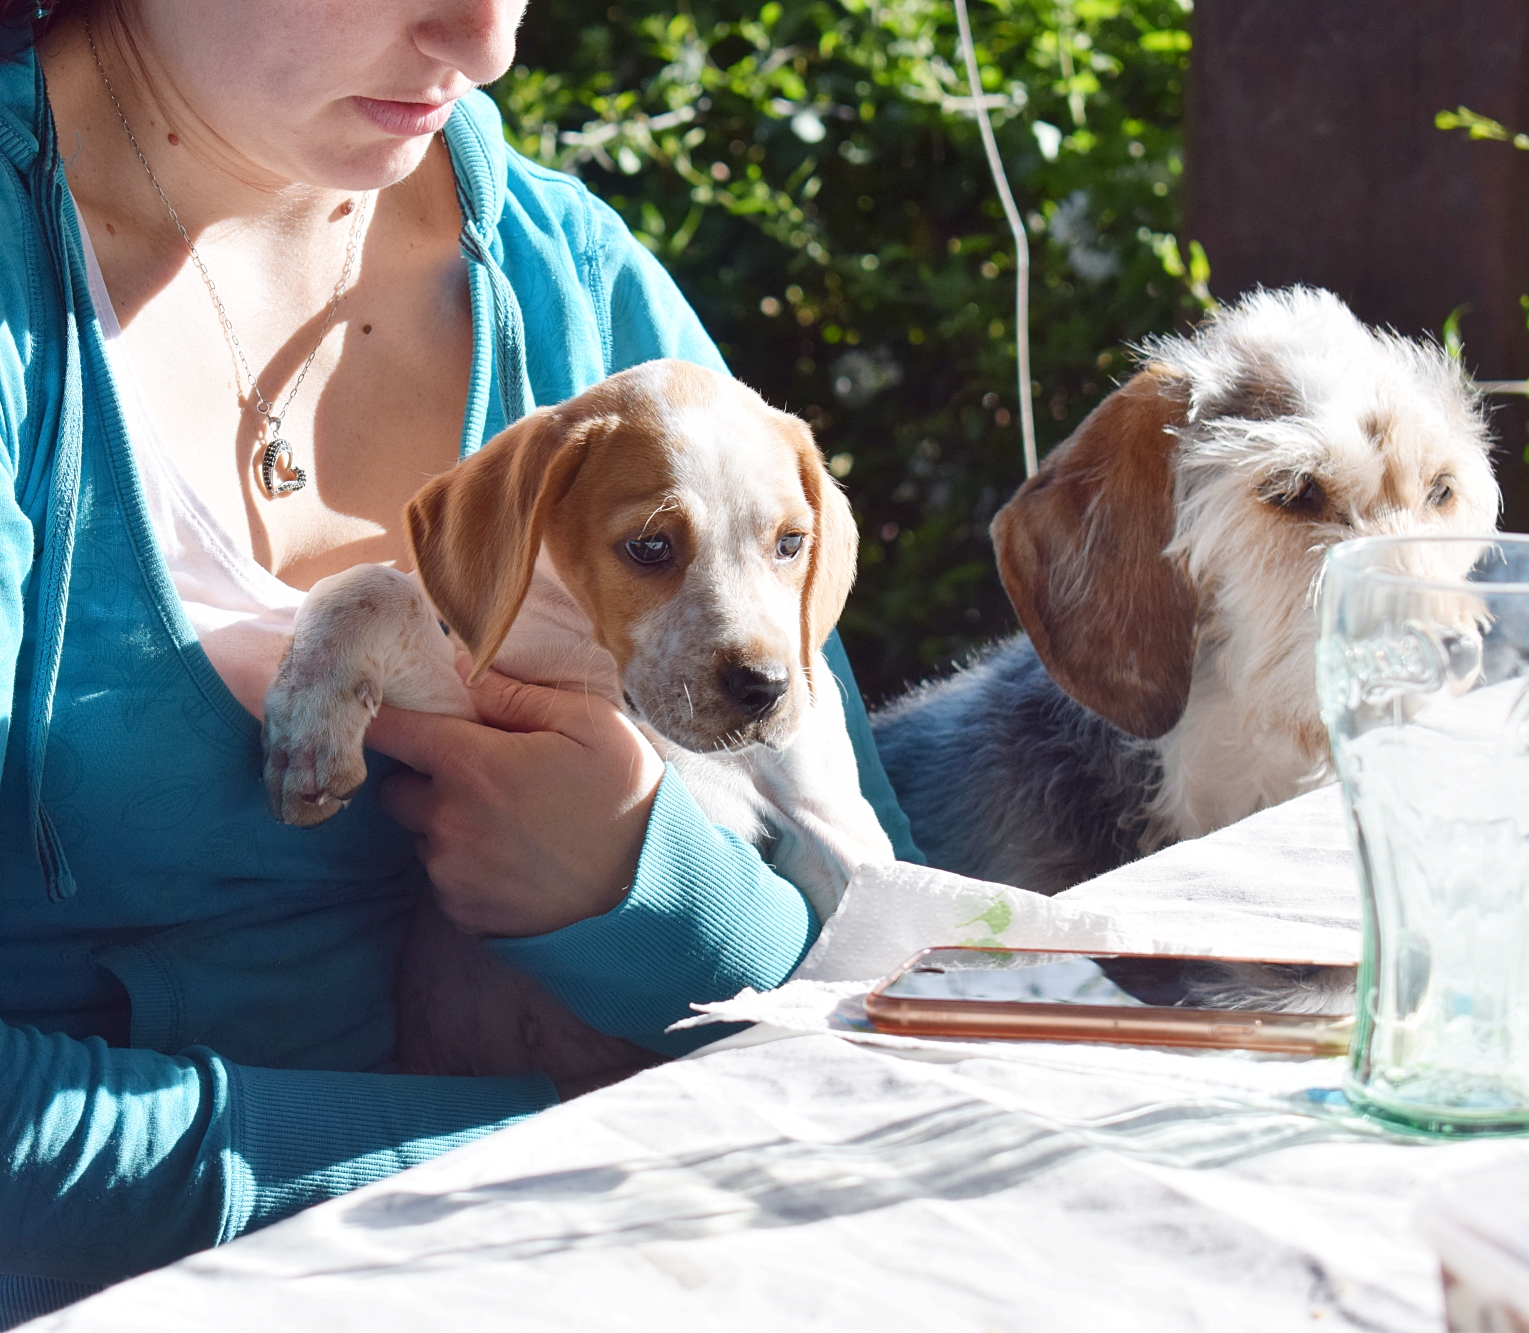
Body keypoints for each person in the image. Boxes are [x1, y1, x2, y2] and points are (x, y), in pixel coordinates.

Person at [0, 1, 920, 1322]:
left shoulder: (571, 284)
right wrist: (546, 1168)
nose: (487, 45)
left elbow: (883, 971)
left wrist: (652, 888)